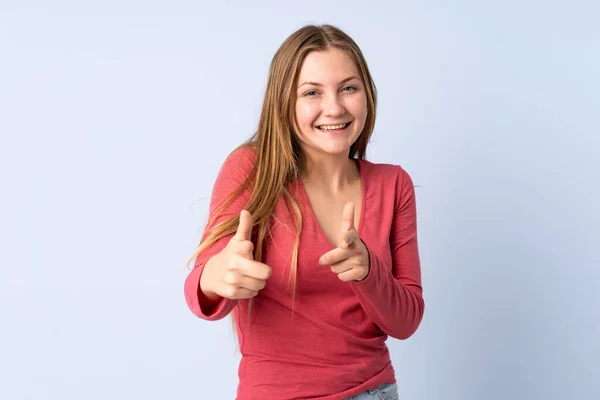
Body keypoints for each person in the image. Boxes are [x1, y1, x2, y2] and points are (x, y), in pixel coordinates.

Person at [184, 24, 424, 400]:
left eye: (348, 87)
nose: (335, 107)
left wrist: (367, 271)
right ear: (285, 103)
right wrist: (215, 276)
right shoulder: (252, 170)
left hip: (373, 392)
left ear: (367, 95)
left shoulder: (394, 184)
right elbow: (201, 288)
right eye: (312, 92)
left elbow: (406, 321)